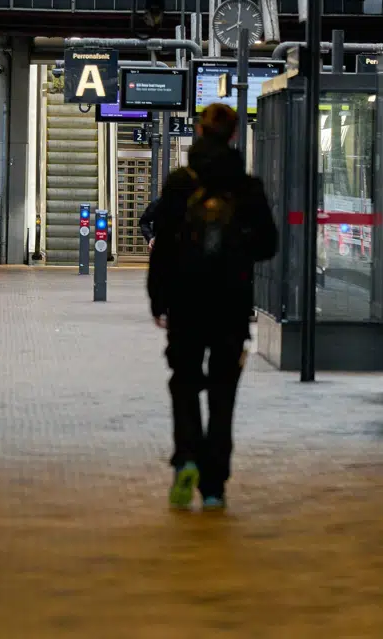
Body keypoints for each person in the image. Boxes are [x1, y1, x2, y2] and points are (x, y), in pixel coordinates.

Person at [146, 102, 277, 510]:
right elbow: (267, 246)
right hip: (231, 305)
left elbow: (163, 247)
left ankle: (186, 458)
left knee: (184, 382)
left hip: (186, 303)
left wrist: (159, 299)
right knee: (223, 392)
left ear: (200, 133)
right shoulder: (247, 186)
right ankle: (215, 484)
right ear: (236, 136)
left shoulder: (180, 183)